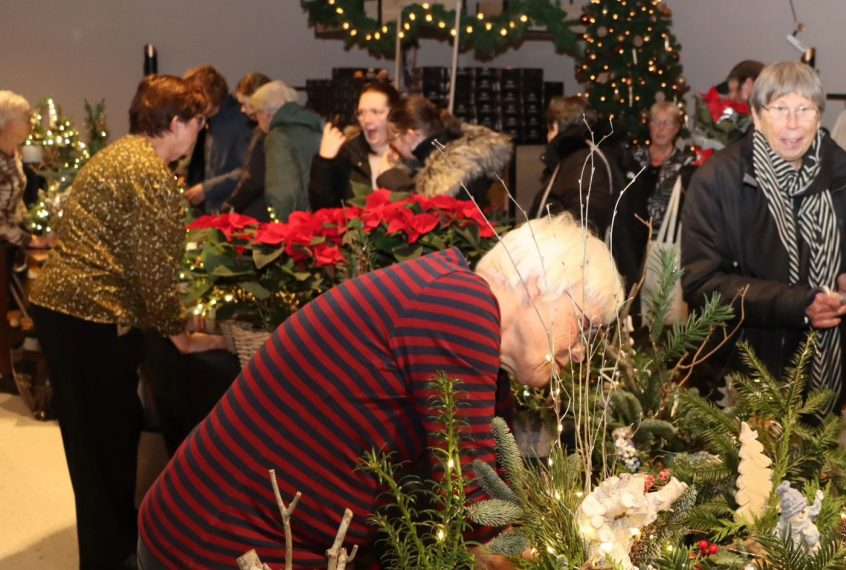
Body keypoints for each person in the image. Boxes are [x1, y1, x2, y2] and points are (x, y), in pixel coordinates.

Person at [137, 212, 626, 569]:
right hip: (215, 544)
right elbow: (472, 501)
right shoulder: (462, 306)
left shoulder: (450, 297)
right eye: (583, 325)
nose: (581, 350)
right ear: (539, 283)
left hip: (229, 535)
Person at [28, 75, 227, 570]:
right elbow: (153, 271)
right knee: (106, 449)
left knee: (93, 445)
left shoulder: (120, 154)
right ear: (177, 123)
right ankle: (111, 556)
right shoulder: (151, 174)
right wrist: (181, 335)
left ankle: (109, 547)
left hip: (65, 312)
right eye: (199, 125)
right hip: (90, 320)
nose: (199, 135)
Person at [681, 61, 846, 415]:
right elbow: (700, 283)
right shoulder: (718, 179)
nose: (793, 124)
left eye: (804, 109)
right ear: (756, 115)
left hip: (827, 383)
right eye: (780, 109)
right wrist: (797, 305)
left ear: (818, 116)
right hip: (741, 383)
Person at [613, 101, 695, 299]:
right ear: (649, 126)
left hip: (666, 241)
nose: (660, 129)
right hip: (631, 242)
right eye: (656, 122)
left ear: (676, 128)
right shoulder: (632, 158)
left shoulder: (685, 164)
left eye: (666, 123)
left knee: (660, 303)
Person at [0, 91, 53, 393]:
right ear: (8, 124)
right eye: (26, 117)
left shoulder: (13, 151)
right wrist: (29, 237)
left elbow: (15, 205)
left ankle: (7, 366)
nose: (31, 121)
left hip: (8, 241)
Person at [388, 95, 513, 207]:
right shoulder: (463, 155)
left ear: (410, 136)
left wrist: (391, 177)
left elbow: (427, 212)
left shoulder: (453, 173)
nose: (392, 146)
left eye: (392, 139)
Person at [528, 95, 625, 238]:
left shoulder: (582, 161)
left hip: (574, 255)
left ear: (556, 125)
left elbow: (585, 223)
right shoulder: (581, 156)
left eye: (549, 129)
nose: (548, 136)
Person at [308, 81, 413, 210]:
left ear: (395, 114)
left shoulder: (411, 154)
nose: (367, 120)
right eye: (361, 112)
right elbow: (322, 209)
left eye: (376, 112)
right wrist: (324, 162)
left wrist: (391, 175)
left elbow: (415, 209)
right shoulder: (348, 155)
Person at [248, 80, 323, 220]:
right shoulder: (316, 127)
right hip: (322, 223)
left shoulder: (278, 137)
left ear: (266, 113)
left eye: (256, 114)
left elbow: (282, 194)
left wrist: (278, 225)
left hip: (299, 228)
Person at [182, 65, 253, 212]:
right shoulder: (210, 120)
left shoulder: (241, 120)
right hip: (215, 210)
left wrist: (207, 189)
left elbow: (247, 171)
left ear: (210, 94)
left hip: (234, 213)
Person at [218, 72, 272, 221]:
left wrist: (230, 206)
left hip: (258, 214)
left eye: (245, 104)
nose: (242, 110)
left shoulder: (262, 134)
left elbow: (253, 179)